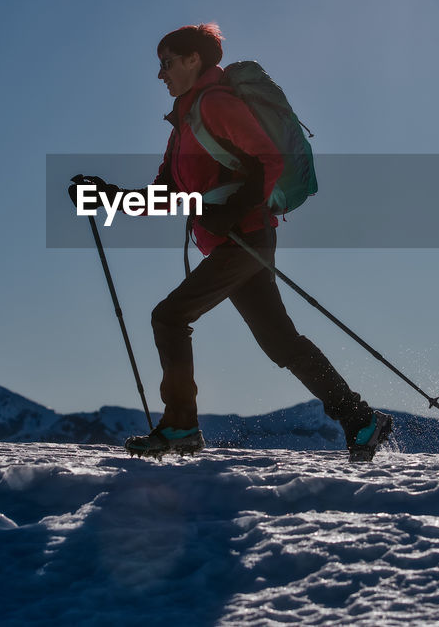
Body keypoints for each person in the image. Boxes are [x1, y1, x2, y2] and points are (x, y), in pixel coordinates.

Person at [76, 23, 392, 462]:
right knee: (281, 343)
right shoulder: (183, 124)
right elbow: (165, 194)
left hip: (244, 237)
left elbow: (269, 158)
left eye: (166, 62)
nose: (160, 74)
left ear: (193, 60)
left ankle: (182, 425)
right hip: (235, 240)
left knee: (169, 317)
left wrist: (234, 208)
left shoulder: (216, 105)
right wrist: (105, 196)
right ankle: (360, 418)